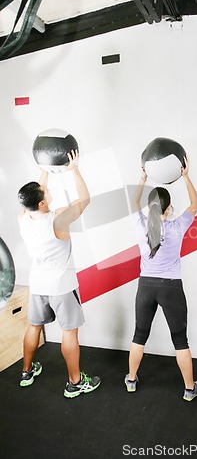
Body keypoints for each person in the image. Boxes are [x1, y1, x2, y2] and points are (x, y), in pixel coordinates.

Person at [17, 150, 101, 398]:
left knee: (34, 326)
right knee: (69, 332)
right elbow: (84, 199)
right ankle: (75, 382)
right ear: (42, 203)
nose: (49, 191)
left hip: (38, 284)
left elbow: (37, 192)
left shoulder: (23, 217)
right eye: (46, 193)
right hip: (62, 286)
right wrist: (73, 168)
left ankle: (26, 371)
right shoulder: (58, 219)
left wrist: (45, 168)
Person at [125, 157, 197, 401]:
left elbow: (133, 202)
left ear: (151, 207)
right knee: (180, 340)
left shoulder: (141, 226)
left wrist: (143, 177)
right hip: (171, 288)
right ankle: (190, 389)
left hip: (145, 286)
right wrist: (186, 176)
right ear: (169, 208)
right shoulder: (177, 226)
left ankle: (130, 379)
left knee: (139, 335)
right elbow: (195, 203)